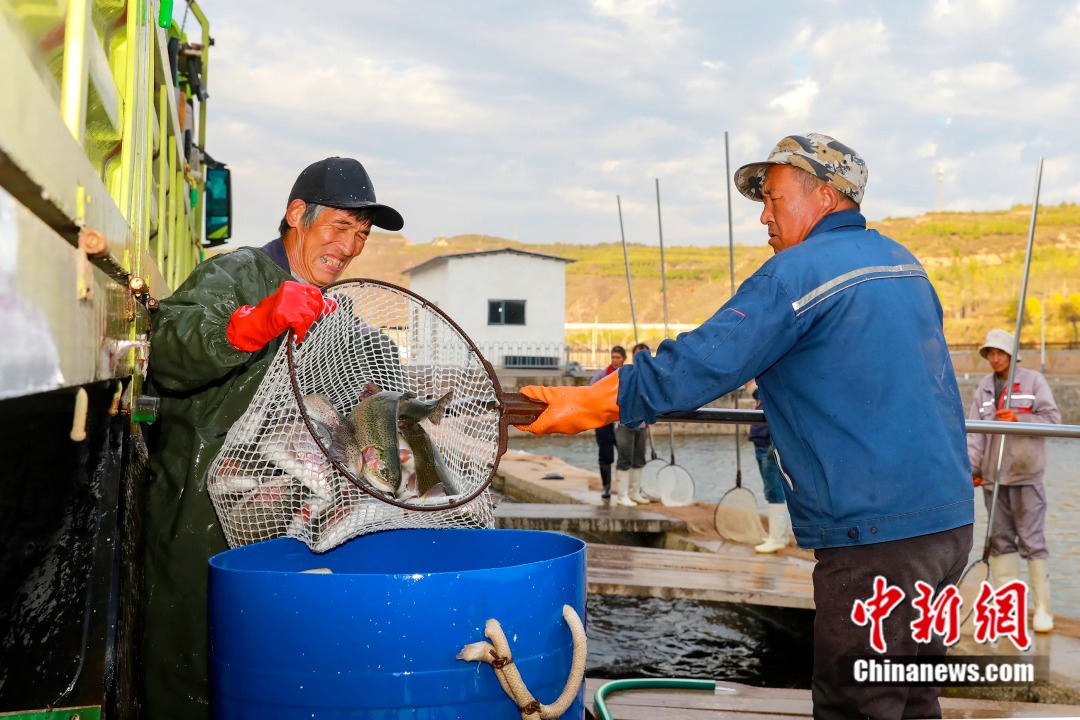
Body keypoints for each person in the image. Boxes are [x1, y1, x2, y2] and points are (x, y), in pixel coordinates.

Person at [515, 133, 974, 720]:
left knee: (856, 703)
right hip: (947, 522)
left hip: (875, 536)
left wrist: (593, 401)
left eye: (774, 198)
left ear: (826, 196)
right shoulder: (905, 265)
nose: (764, 216)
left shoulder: (796, 274)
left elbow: (704, 361)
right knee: (912, 696)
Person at [142, 157, 403, 720]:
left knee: (266, 665)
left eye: (361, 234)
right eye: (340, 226)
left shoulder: (335, 310)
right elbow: (166, 352)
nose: (350, 246)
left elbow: (371, 370)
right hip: (197, 509)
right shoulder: (237, 272)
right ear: (296, 214)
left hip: (284, 518)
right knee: (188, 661)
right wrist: (251, 323)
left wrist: (386, 395)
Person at [967, 328, 1060, 633]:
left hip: (1026, 475)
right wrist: (973, 470)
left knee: (1032, 540)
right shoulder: (983, 387)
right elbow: (976, 433)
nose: (994, 359)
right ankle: (1009, 611)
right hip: (993, 479)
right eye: (990, 353)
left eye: (1000, 353)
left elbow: (1053, 421)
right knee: (1001, 541)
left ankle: (1043, 609)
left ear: (1012, 354)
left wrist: (1021, 419)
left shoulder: (1034, 381)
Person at [746, 380, 790, 553]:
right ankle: (779, 535)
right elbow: (750, 386)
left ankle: (777, 538)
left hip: (769, 446)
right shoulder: (764, 393)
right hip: (761, 444)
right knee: (771, 490)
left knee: (774, 491)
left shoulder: (776, 392)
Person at [613, 343, 652, 506]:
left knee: (639, 457)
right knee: (625, 457)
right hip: (625, 422)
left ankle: (634, 492)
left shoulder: (651, 375)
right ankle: (622, 495)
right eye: (638, 354)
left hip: (643, 424)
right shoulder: (627, 372)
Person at [591, 347, 626, 500]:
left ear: (623, 359)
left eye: (618, 357)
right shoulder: (601, 376)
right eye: (613, 357)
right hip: (604, 420)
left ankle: (625, 488)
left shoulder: (628, 374)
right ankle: (606, 486)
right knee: (605, 454)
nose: (615, 360)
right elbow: (591, 392)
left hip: (622, 419)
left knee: (625, 453)